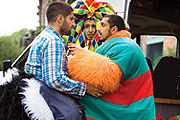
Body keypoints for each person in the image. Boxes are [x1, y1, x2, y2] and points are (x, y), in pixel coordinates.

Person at [24, 2, 103, 120]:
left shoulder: (44, 36)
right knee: (72, 114)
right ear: (60, 18)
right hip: (45, 90)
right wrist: (85, 88)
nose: (74, 24)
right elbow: (55, 80)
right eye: (71, 19)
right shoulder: (53, 41)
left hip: (38, 88)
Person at [68, 14, 156, 119]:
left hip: (131, 109)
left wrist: (77, 59)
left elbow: (108, 77)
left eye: (102, 25)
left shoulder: (126, 46)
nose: (98, 29)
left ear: (113, 29)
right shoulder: (118, 44)